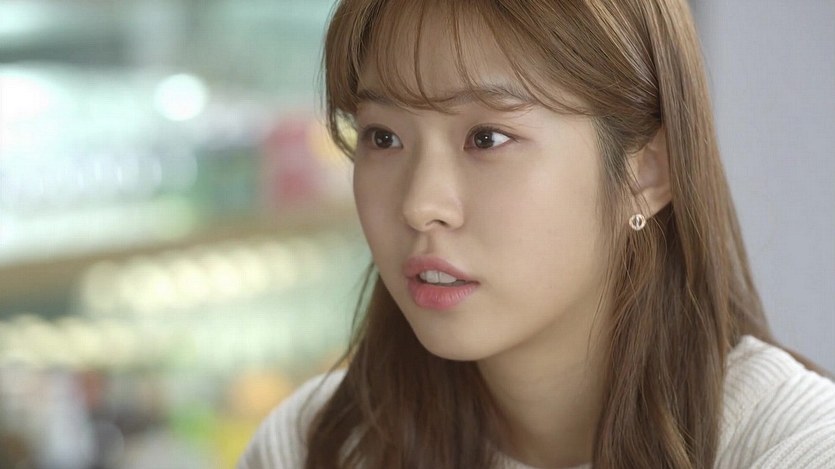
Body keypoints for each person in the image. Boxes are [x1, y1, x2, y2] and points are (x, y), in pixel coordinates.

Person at [239, 0, 835, 467]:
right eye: (383, 137)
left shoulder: (793, 448)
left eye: (487, 139)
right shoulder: (313, 446)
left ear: (647, 173)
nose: (421, 207)